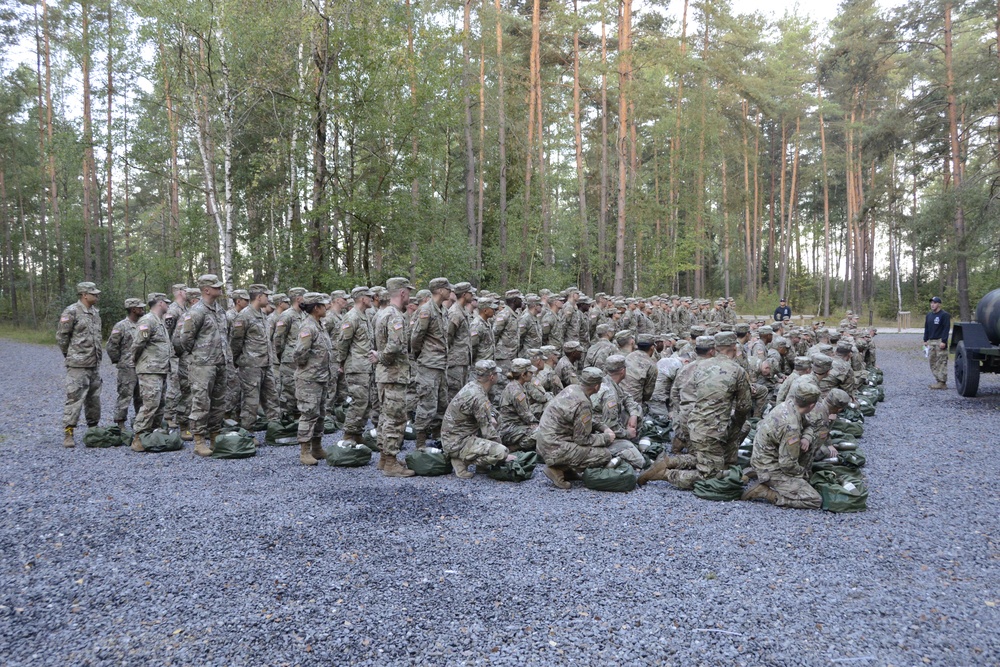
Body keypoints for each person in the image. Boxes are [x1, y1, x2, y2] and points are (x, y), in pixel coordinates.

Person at [742, 381, 823, 509]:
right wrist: (802, 473)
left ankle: (758, 473)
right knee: (814, 500)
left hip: (764, 456)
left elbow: (808, 426)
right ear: (812, 405)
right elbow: (787, 465)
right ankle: (766, 492)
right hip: (769, 466)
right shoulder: (791, 427)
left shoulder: (789, 405)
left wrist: (806, 438)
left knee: (812, 440)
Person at [174, 274, 230, 457]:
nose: (219, 289)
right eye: (216, 286)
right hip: (202, 365)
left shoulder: (220, 310)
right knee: (201, 402)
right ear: (206, 290)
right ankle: (199, 441)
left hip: (220, 363)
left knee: (218, 403)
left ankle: (214, 438)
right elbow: (185, 339)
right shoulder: (196, 311)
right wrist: (199, 355)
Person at [534, 367, 617, 489]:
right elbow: (582, 439)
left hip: (544, 441)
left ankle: (567, 469)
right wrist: (605, 438)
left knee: (585, 446)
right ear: (596, 387)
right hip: (555, 447)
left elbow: (581, 419)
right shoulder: (583, 403)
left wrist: (602, 427)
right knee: (604, 455)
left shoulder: (572, 389)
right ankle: (557, 469)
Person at [372, 277, 418, 477]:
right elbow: (395, 345)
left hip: (386, 375)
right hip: (393, 374)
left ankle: (384, 458)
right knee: (396, 419)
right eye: (408, 292)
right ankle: (390, 462)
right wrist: (381, 357)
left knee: (385, 417)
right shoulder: (396, 316)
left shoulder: (382, 313)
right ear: (402, 293)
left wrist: (379, 357)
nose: (409, 296)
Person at [441, 359, 510, 479]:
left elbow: (488, 416)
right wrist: (504, 454)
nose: (498, 376)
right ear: (491, 377)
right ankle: (461, 461)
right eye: (496, 373)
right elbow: (488, 431)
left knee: (495, 417)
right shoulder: (478, 397)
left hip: (457, 436)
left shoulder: (474, 386)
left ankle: (480, 465)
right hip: (456, 442)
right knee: (501, 452)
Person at [56, 282, 104, 447]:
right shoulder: (71, 311)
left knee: (94, 399)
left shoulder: (95, 313)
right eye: (94, 293)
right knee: (74, 398)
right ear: (84, 294)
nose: (97, 296)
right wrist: (70, 355)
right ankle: (68, 433)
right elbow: (62, 337)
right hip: (78, 364)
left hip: (94, 363)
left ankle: (93, 429)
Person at [411, 277, 453, 448]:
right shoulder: (426, 310)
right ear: (440, 290)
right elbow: (416, 337)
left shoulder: (443, 310)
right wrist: (421, 354)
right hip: (429, 364)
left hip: (441, 364)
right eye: (448, 289)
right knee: (427, 403)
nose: (450, 292)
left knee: (442, 403)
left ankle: (437, 436)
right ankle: (420, 442)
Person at [230, 284, 279, 432]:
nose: (268, 299)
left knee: (272, 397)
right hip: (251, 365)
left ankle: (275, 429)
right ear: (259, 297)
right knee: (250, 401)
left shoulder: (263, 315)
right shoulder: (244, 316)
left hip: (266, 363)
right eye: (266, 296)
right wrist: (238, 360)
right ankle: (248, 432)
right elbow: (236, 341)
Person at [293, 293, 333, 466]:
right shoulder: (308, 326)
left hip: (321, 377)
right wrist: (307, 368)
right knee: (309, 414)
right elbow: (300, 353)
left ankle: (316, 447)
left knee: (320, 414)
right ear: (316, 308)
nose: (327, 307)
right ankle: (304, 451)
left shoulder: (318, 325)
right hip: (309, 378)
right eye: (324, 305)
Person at [130, 293, 173, 451]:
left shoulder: (159, 321)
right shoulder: (148, 320)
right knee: (150, 404)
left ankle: (152, 435)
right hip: (149, 370)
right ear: (160, 303)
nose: (168, 305)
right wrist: (137, 363)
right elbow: (137, 344)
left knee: (160, 404)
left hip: (160, 369)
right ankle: (138, 437)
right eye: (166, 302)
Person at [337, 286, 376, 446]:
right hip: (356, 367)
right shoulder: (351, 317)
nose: (372, 299)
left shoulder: (364, 316)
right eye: (369, 296)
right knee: (358, 401)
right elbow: (343, 342)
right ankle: (348, 434)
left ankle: (357, 433)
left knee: (366, 402)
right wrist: (341, 362)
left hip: (366, 367)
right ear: (362, 298)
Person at [106, 298, 145, 431]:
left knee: (141, 397)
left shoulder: (143, 323)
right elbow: (111, 346)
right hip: (127, 367)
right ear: (133, 309)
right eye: (140, 307)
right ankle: (120, 423)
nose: (142, 309)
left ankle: (140, 423)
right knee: (125, 395)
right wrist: (119, 360)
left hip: (142, 366)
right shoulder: (121, 326)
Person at [272, 287, 307, 419]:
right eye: (305, 297)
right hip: (289, 359)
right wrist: (282, 355)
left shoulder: (304, 315)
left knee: (299, 390)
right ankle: (286, 420)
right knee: (288, 391)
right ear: (298, 298)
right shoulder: (287, 315)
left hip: (301, 359)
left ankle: (297, 419)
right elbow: (278, 339)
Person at [497, 358, 539, 452]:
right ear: (523, 375)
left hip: (513, 426)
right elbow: (526, 415)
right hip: (509, 429)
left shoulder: (516, 385)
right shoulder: (516, 391)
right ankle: (513, 448)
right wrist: (537, 424)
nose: (532, 374)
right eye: (530, 372)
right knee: (541, 432)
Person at [923, 296, 950, 390]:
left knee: (941, 361)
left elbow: (946, 328)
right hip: (931, 341)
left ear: (939, 304)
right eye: (931, 303)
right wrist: (925, 340)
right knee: (932, 361)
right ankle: (938, 380)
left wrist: (944, 341)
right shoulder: (929, 315)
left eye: (934, 303)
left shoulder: (944, 315)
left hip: (940, 341)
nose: (932, 305)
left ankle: (942, 382)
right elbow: (926, 328)